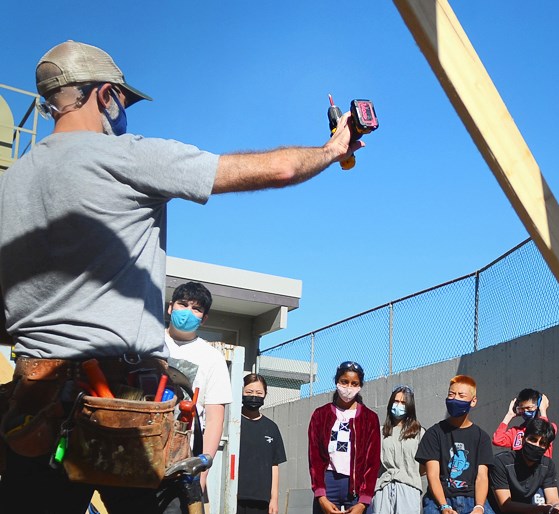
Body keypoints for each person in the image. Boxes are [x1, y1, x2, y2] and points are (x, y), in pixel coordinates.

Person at [0, 40, 362, 513]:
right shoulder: (124, 157)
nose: (124, 111)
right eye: (123, 100)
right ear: (105, 95)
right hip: (118, 404)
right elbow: (278, 168)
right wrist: (334, 148)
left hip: (33, 407)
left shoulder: (11, 183)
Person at [164, 281, 232, 500]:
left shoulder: (212, 357)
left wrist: (203, 470)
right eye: (182, 304)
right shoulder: (149, 342)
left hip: (184, 459)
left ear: (204, 318)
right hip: (141, 448)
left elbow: (214, 420)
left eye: (196, 309)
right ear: (170, 307)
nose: (188, 312)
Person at [415, 374, 495, 514]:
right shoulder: (434, 433)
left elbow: (482, 477)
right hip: (439, 500)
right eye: (451, 394)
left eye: (461, 395)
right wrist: (444, 506)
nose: (455, 399)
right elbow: (432, 475)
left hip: (473, 499)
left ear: (473, 401)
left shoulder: (482, 437)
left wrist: (479, 507)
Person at [308, 361, 381, 514]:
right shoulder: (320, 415)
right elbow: (314, 457)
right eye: (344, 382)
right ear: (336, 382)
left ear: (360, 386)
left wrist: (363, 502)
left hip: (356, 486)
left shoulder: (370, 418)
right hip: (328, 482)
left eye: (354, 383)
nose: (348, 387)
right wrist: (321, 495)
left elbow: (372, 462)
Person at [489, 418, 559, 514]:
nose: (536, 445)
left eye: (542, 443)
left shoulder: (547, 465)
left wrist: (558, 509)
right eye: (533, 440)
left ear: (547, 447)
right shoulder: (501, 462)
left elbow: (553, 500)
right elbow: (505, 506)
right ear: (523, 439)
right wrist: (539, 509)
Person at [237, 374, 286, 514]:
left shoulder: (271, 428)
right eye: (249, 392)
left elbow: (274, 465)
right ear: (241, 392)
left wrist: (274, 499)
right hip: (234, 497)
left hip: (261, 502)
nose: (254, 396)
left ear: (265, 395)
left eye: (259, 393)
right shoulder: (231, 424)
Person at [372, 385, 425, 514]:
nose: (399, 405)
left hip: (409, 487)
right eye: (396, 401)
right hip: (383, 487)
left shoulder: (418, 432)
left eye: (403, 402)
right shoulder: (381, 432)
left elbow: (424, 467)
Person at [492, 389, 557, 458]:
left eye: (529, 408)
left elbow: (543, 432)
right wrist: (509, 415)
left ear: (538, 406)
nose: (525, 411)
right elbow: (497, 440)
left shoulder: (551, 428)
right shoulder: (515, 432)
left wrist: (543, 411)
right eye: (522, 409)